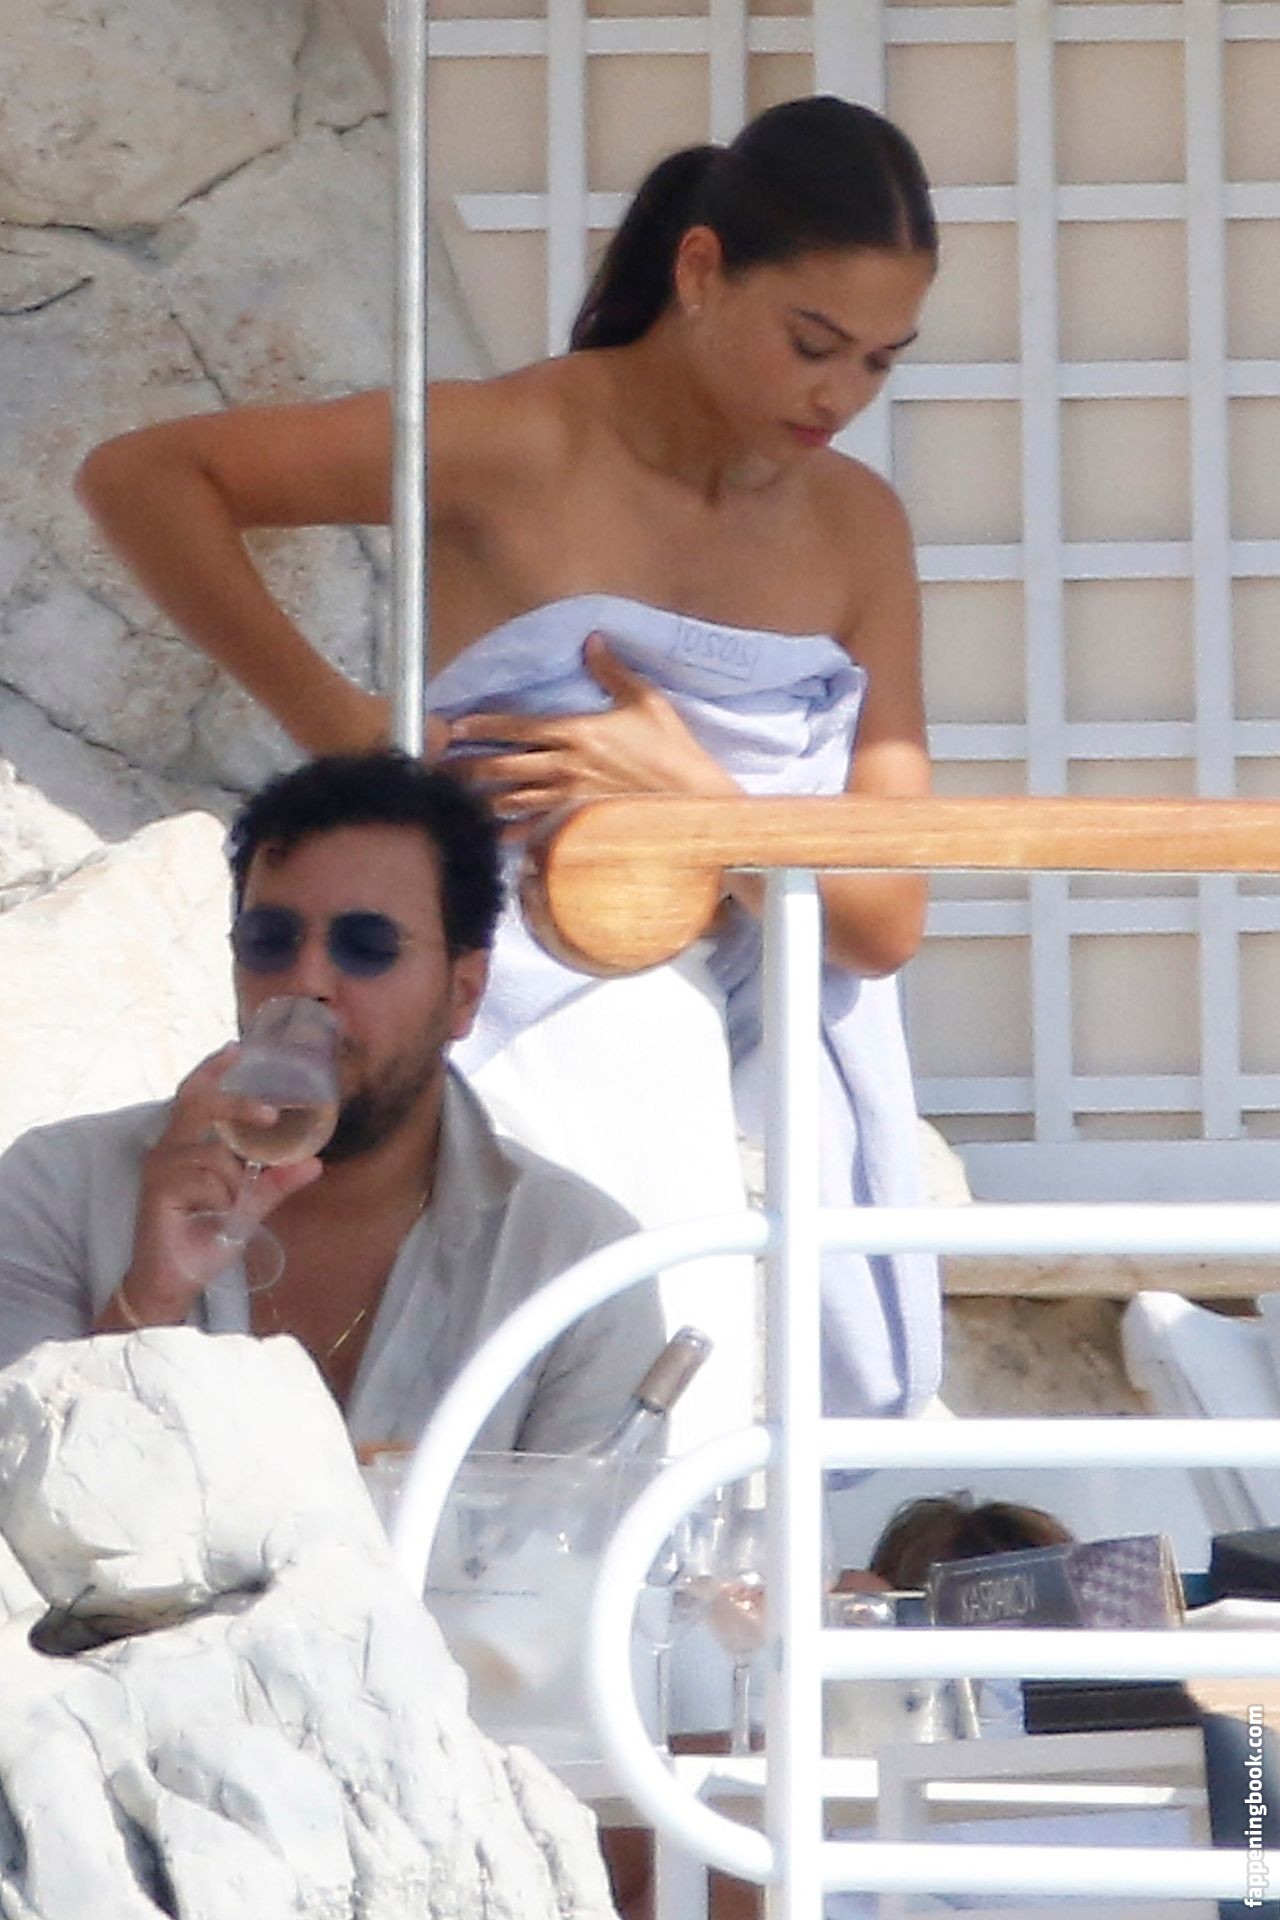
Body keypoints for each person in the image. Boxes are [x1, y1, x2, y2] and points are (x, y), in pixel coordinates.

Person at [76, 93, 943, 1425]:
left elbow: (882, 920)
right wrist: (344, 724)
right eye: (812, 343)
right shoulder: (511, 442)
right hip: (496, 1024)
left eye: (881, 362)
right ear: (699, 270)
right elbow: (144, 478)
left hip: (741, 1066)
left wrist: (695, 806)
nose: (839, 395)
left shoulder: (860, 528)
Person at [0, 750, 666, 1457]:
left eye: (366, 945)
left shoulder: (575, 1263)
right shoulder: (56, 1189)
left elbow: (583, 1525)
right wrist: (148, 1300)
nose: (308, 980)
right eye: (270, 941)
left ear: (464, 994)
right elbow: (14, 1500)